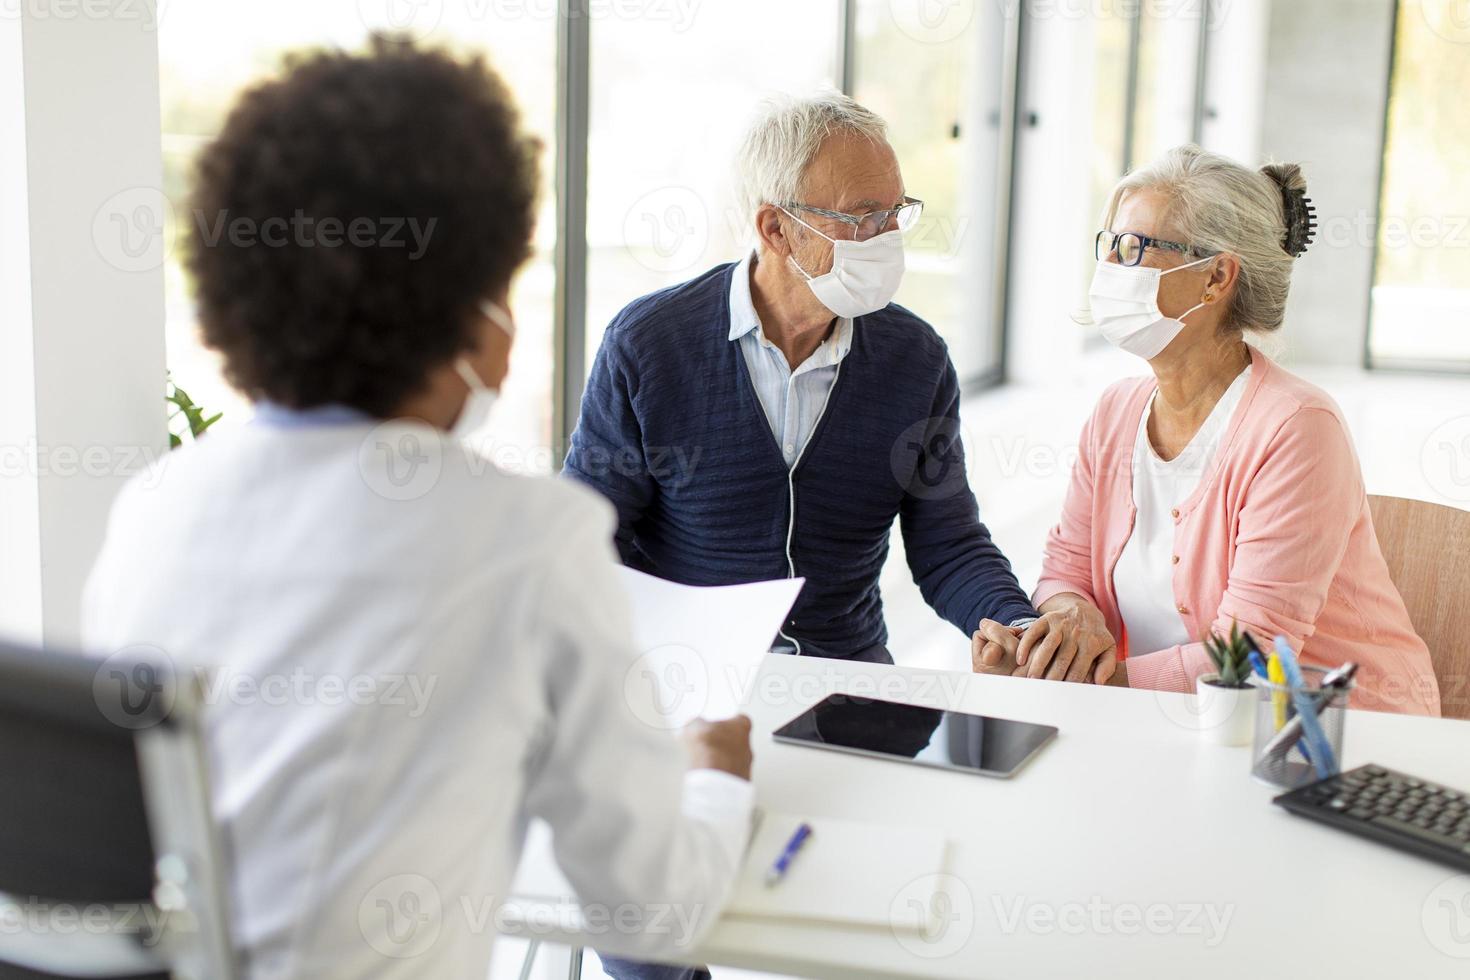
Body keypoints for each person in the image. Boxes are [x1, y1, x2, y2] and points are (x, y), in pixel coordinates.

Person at [81, 37, 758, 978]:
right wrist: (717, 781)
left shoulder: (157, 508)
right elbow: (651, 913)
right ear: (473, 317)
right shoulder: (527, 542)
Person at [974, 144, 1440, 716]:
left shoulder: (1297, 430)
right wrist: (1062, 632)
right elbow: (1066, 566)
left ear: (1216, 277)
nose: (1111, 269)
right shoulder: (1116, 410)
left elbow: (1247, 656)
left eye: (1134, 248)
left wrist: (1086, 684)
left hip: (1326, 739)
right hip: (1172, 725)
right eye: (1110, 246)